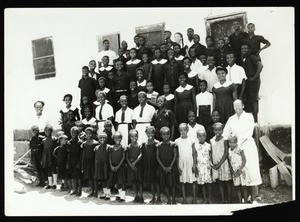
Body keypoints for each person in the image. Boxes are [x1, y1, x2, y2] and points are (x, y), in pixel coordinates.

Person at [223, 99, 262, 203]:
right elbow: (225, 133)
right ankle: (244, 197)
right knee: (240, 170)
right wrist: (229, 143)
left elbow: (249, 132)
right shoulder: (231, 119)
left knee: (251, 169)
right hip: (235, 146)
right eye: (235, 106)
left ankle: (254, 196)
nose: (236, 108)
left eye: (238, 106)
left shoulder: (249, 116)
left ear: (243, 106)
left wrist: (240, 143)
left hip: (247, 144)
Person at [241, 43, 263, 123]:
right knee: (249, 100)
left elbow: (260, 65)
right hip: (248, 81)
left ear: (249, 49)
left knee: (254, 100)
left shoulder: (252, 57)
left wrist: (254, 77)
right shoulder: (245, 59)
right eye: (242, 49)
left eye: (245, 48)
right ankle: (251, 119)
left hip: (253, 81)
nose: (243, 50)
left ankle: (255, 120)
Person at [156, 127, 179, 204]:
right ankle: (169, 200)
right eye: (164, 134)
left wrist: (170, 167)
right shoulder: (159, 145)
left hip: (171, 166)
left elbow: (175, 155)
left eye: (167, 134)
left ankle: (174, 200)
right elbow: (157, 157)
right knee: (165, 184)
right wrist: (163, 167)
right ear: (161, 135)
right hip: (163, 167)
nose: (166, 136)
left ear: (170, 134)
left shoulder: (173, 144)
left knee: (172, 184)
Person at [210, 122, 232, 203]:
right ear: (213, 131)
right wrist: (213, 164)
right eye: (216, 130)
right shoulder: (212, 140)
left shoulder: (224, 140)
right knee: (219, 182)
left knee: (227, 182)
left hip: (223, 163)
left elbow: (226, 153)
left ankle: (229, 200)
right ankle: (223, 200)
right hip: (216, 165)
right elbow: (211, 153)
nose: (217, 132)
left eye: (219, 130)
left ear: (222, 131)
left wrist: (220, 164)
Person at [175, 123, 197, 204]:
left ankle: (194, 199)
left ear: (187, 130)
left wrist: (194, 165)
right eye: (181, 130)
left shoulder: (191, 140)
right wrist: (178, 166)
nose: (183, 132)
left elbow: (194, 153)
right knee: (183, 182)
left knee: (193, 181)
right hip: (182, 163)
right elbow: (176, 155)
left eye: (184, 130)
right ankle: (184, 199)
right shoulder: (177, 141)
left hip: (190, 162)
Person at [228, 135, 251, 203]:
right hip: (235, 172)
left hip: (241, 170)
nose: (232, 144)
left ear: (236, 142)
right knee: (237, 187)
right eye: (230, 142)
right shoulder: (229, 150)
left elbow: (244, 160)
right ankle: (240, 202)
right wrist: (232, 171)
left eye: (233, 142)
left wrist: (240, 169)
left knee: (244, 187)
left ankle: (246, 202)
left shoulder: (239, 149)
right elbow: (230, 162)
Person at [141, 126, 161, 204]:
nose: (150, 134)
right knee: (151, 182)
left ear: (154, 133)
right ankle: (153, 197)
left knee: (157, 182)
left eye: (152, 133)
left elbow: (159, 156)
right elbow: (143, 155)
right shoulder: (144, 144)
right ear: (146, 133)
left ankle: (159, 197)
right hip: (148, 165)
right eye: (148, 133)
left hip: (155, 165)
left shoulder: (157, 143)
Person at [194, 129, 213, 204]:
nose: (202, 137)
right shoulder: (195, 146)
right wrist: (195, 166)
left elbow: (211, 156)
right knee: (203, 184)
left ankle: (210, 198)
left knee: (209, 184)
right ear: (197, 137)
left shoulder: (208, 145)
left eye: (203, 136)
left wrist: (211, 166)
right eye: (200, 136)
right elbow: (195, 157)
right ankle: (205, 198)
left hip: (207, 167)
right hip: (200, 167)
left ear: (206, 136)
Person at [107, 131, 127, 202]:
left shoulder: (123, 148)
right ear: (113, 139)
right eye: (115, 138)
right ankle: (110, 194)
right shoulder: (111, 147)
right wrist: (111, 166)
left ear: (121, 138)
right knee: (114, 181)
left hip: (120, 167)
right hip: (113, 167)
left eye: (119, 138)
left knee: (121, 181)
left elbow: (123, 158)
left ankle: (123, 196)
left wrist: (118, 166)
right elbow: (109, 157)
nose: (117, 139)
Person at [80, 127, 99, 197]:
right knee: (90, 177)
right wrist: (82, 163)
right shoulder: (84, 144)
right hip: (87, 162)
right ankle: (92, 191)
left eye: (90, 133)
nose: (88, 135)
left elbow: (97, 154)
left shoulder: (95, 143)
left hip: (93, 162)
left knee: (94, 177)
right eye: (87, 133)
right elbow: (83, 154)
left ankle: (96, 192)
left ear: (92, 134)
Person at [126, 129, 143, 203]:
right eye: (132, 136)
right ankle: (136, 196)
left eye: (136, 136)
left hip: (138, 165)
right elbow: (126, 157)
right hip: (131, 166)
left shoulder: (140, 146)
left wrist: (134, 163)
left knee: (140, 181)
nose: (134, 138)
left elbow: (141, 154)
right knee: (133, 182)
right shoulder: (128, 147)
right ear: (130, 137)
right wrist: (130, 164)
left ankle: (141, 196)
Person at [66, 126, 82, 196]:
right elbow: (68, 153)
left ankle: (79, 191)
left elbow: (81, 154)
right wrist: (67, 162)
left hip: (77, 161)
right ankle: (75, 190)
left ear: (78, 133)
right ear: (70, 133)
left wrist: (79, 163)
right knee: (73, 176)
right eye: (72, 133)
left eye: (75, 133)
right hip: (71, 161)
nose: (73, 134)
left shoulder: (79, 142)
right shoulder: (69, 142)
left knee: (78, 176)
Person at [93, 132, 110, 199]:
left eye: (104, 138)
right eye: (100, 138)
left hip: (106, 165)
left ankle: (108, 193)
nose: (102, 139)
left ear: (106, 138)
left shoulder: (109, 147)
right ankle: (104, 193)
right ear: (98, 139)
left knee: (107, 179)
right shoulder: (96, 148)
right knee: (102, 179)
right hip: (99, 166)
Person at [41, 125, 56, 189]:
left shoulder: (54, 139)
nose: (47, 132)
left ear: (51, 131)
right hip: (46, 156)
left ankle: (55, 183)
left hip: (52, 156)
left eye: (49, 131)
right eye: (46, 131)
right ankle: (50, 183)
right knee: (48, 169)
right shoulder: (44, 140)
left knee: (53, 169)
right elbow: (44, 149)